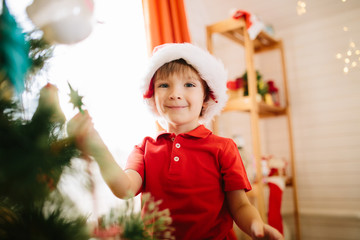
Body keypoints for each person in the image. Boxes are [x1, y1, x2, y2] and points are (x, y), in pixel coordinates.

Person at [67, 43, 284, 240]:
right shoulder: (144, 149)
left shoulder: (224, 148)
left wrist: (257, 225)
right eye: (164, 85)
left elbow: (240, 205)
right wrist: (96, 146)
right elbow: (124, 189)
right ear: (152, 97)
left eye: (189, 84)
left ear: (206, 98)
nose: (175, 94)